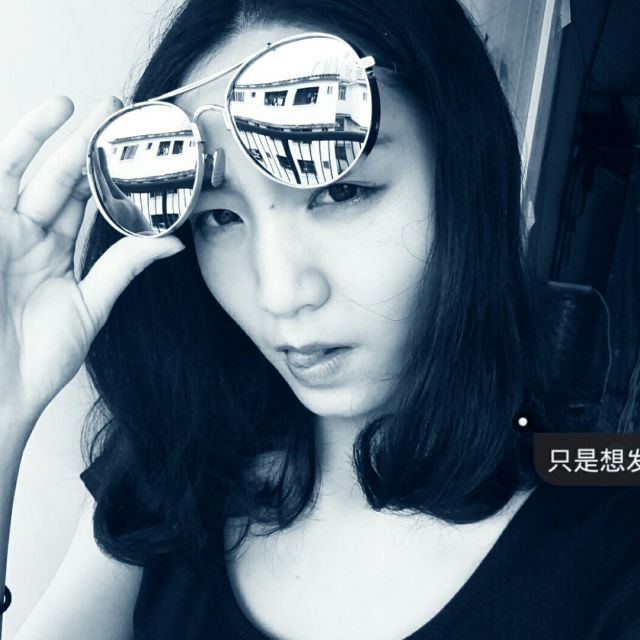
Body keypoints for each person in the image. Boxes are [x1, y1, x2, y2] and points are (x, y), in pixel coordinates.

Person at [1, 0, 639, 638]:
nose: (280, 293)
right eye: (219, 217)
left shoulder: (611, 544)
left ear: (466, 173)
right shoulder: (174, 469)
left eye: (341, 191)